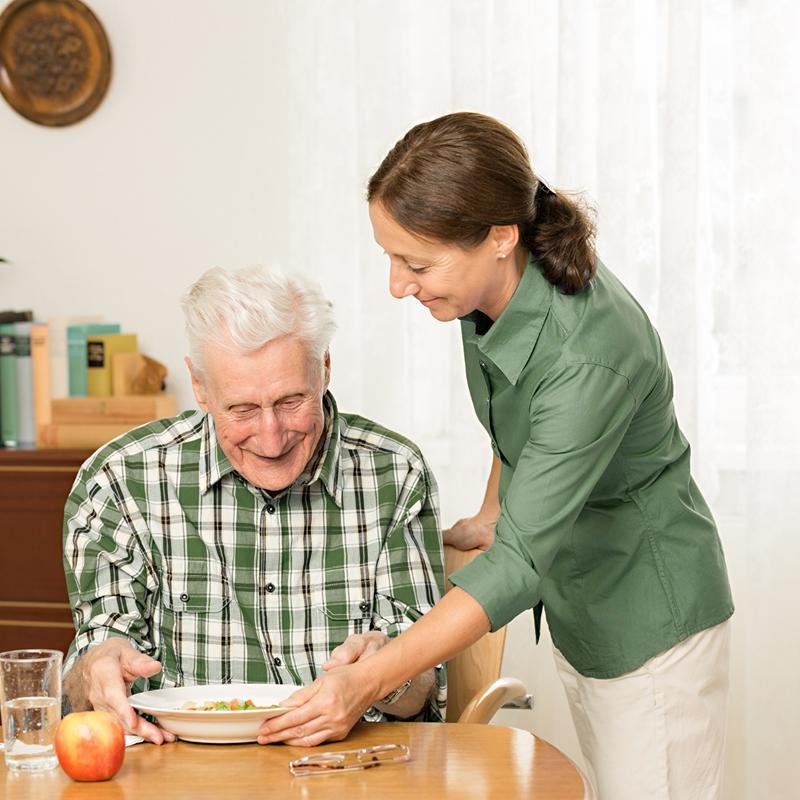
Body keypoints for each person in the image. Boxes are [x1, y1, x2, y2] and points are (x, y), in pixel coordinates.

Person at [258, 112, 734, 800]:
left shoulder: (588, 355)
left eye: (417, 264)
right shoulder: (490, 292)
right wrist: (492, 510)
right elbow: (517, 417)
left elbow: (519, 562)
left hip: (649, 623)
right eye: (391, 257)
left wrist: (370, 678)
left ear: (500, 237)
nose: (397, 285)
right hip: (585, 601)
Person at [61, 265, 446, 744]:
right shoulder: (121, 478)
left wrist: (385, 673)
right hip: (178, 772)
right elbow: (92, 659)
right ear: (199, 385)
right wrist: (97, 665)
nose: (271, 437)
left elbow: (423, 690)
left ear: (325, 367)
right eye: (242, 409)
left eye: (290, 402)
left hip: (353, 766)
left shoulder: (394, 472)